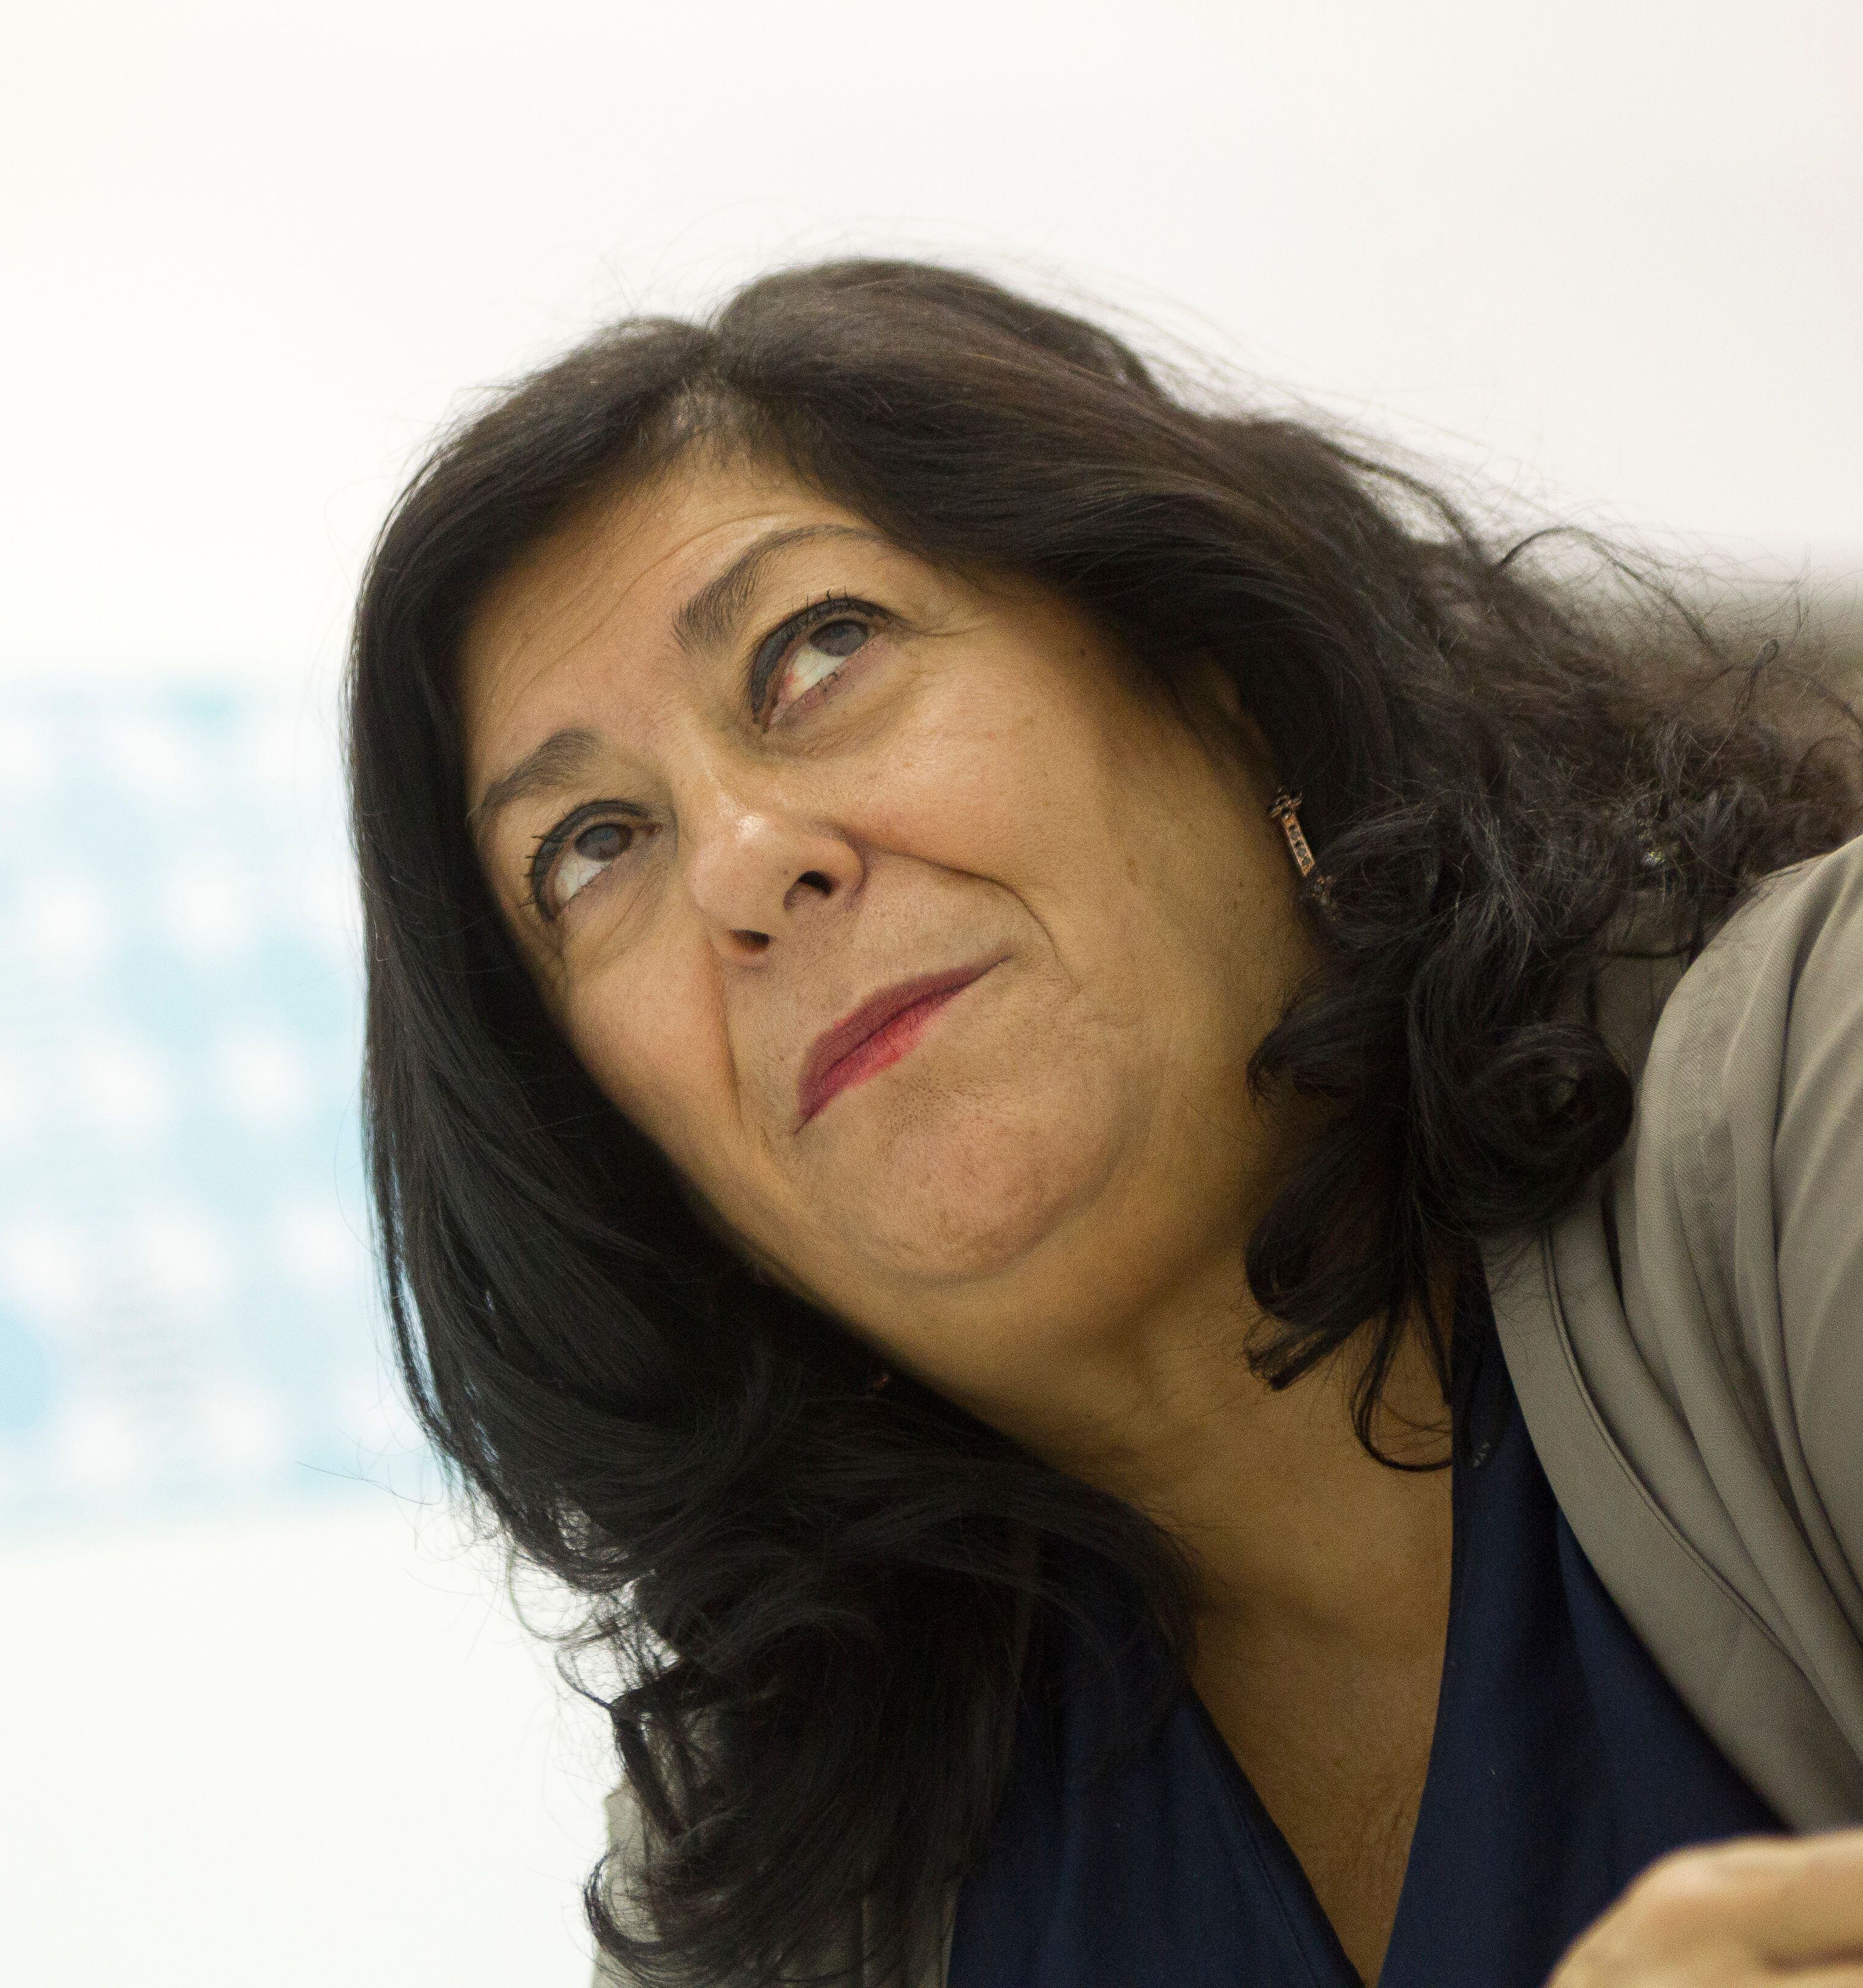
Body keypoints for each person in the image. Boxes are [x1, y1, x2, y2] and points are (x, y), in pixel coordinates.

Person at [343, 260, 1863, 1987]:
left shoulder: (1815, 1098)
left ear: (1220, 673)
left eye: (820, 649)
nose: (746, 865)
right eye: (596, 848)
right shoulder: (779, 1864)